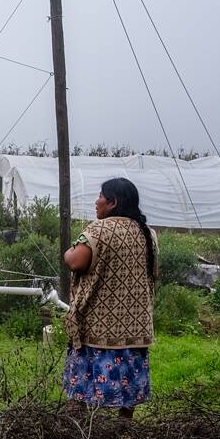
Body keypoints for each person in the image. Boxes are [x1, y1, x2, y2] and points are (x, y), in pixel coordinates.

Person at [62, 177, 158, 419]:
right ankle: (124, 429)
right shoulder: (147, 233)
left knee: (80, 388)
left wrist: (67, 251)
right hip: (135, 325)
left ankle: (78, 428)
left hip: (99, 324)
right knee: (128, 386)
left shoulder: (99, 229)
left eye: (101, 197)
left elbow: (76, 261)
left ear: (112, 202)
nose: (97, 202)